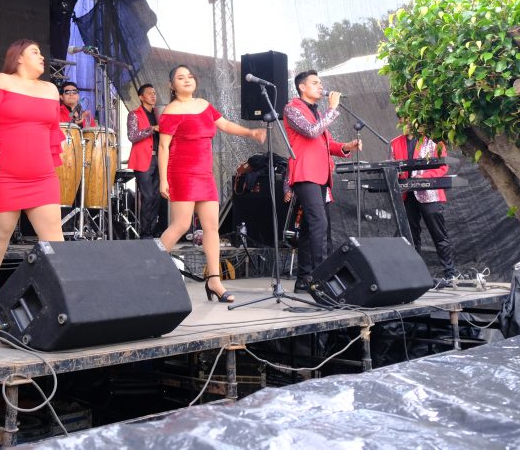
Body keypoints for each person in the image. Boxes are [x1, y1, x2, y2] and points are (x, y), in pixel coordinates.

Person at [158, 65, 266, 303]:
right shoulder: (171, 111)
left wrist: (250, 133)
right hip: (182, 172)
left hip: (204, 174)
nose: (187, 80)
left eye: (190, 76)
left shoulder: (204, 105)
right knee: (181, 225)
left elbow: (224, 124)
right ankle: (150, 268)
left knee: (211, 227)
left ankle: (214, 281)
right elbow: (163, 146)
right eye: (180, 78)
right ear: (171, 86)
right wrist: (163, 179)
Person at [0, 40, 65, 311]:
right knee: (1, 232)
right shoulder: (1, 81)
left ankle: (60, 290)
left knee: (53, 234)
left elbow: (53, 131)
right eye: (35, 52)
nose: (42, 56)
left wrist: (52, 162)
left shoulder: (50, 89)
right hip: (3, 171)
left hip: (42, 175)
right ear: (18, 58)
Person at [283, 70, 361, 293]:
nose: (320, 86)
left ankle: (304, 279)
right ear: (302, 87)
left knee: (310, 228)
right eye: (315, 83)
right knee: (319, 223)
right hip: (305, 173)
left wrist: (346, 146)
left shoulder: (316, 112)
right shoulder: (292, 108)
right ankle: (322, 278)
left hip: (321, 176)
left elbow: (326, 144)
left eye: (320, 82)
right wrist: (332, 109)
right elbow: (311, 132)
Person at [390, 126, 457, 278]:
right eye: (401, 118)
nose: (404, 122)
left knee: (438, 234)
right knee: (410, 236)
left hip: (429, 193)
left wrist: (425, 176)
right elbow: (391, 167)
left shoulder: (434, 141)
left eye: (407, 118)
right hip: (407, 194)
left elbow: (442, 167)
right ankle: (414, 274)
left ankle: (450, 273)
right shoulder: (395, 143)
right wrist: (397, 174)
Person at [127, 83, 167, 238]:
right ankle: (145, 232)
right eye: (149, 93)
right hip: (143, 159)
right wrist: (152, 128)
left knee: (157, 196)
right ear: (141, 97)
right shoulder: (134, 114)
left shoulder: (159, 114)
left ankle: (153, 230)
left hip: (159, 158)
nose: (153, 96)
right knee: (148, 195)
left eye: (154, 93)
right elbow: (132, 136)